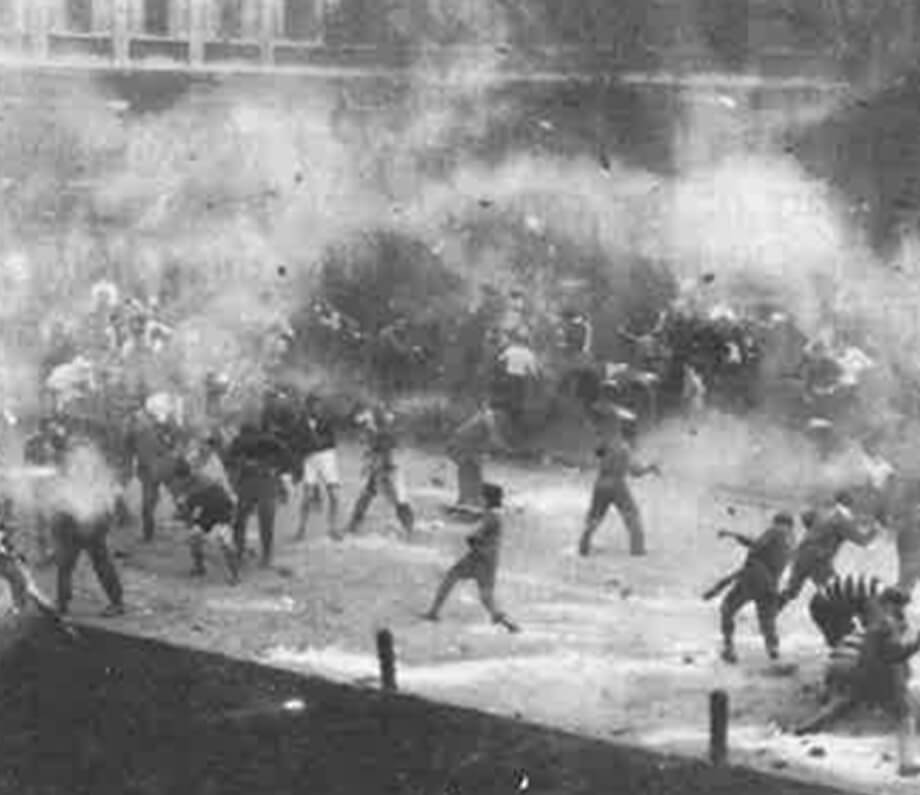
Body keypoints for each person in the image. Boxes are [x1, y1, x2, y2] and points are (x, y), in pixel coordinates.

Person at [422, 483, 518, 632]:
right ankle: (507, 622)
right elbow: (475, 513)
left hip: (478, 558)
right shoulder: (496, 512)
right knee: (487, 599)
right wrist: (455, 510)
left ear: (487, 499)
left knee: (451, 577)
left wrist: (452, 528)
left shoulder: (491, 516)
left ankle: (433, 612)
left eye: (482, 496)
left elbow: (475, 530)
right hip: (489, 562)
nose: (479, 499)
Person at [704, 512, 796, 663]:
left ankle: (729, 648)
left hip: (753, 579)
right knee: (767, 621)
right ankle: (774, 653)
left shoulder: (776, 530)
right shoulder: (792, 540)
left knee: (727, 609)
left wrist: (733, 535)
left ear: (777, 522)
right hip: (771, 584)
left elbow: (757, 544)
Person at [778, 490, 881, 611]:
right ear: (850, 506)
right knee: (836, 592)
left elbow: (808, 523)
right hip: (818, 560)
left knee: (791, 592)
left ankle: (768, 612)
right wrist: (876, 529)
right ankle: (848, 622)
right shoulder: (841, 520)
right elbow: (863, 541)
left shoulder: (824, 513)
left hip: (801, 556)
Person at [578, 409, 660, 557]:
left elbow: (597, 454)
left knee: (594, 520)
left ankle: (583, 549)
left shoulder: (606, 442)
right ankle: (637, 551)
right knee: (633, 519)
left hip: (601, 483)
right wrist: (650, 467)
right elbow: (636, 472)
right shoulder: (624, 447)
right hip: (617, 485)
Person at [225, 422, 297, 569]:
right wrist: (277, 469)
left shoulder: (249, 441)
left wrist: (274, 469)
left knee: (247, 517)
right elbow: (288, 457)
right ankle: (261, 554)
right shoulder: (267, 440)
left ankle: (247, 553)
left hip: (257, 481)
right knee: (260, 519)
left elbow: (229, 460)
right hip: (259, 480)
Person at [344, 405, 414, 537]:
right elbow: (376, 451)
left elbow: (385, 454)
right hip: (383, 469)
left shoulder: (382, 434)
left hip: (389, 470)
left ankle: (409, 529)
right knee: (367, 496)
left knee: (399, 501)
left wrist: (371, 463)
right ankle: (353, 524)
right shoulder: (377, 432)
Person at [168, 458, 238, 584]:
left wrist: (186, 517)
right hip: (211, 512)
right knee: (197, 538)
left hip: (219, 512)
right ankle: (200, 567)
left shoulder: (197, 485)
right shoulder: (194, 481)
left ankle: (232, 575)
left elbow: (187, 509)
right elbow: (187, 509)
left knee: (222, 543)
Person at [446, 403, 509, 512]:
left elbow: (489, 439)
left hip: (463, 446)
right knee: (470, 471)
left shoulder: (485, 416)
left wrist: (501, 448)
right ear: (499, 414)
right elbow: (494, 438)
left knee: (472, 471)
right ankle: (467, 500)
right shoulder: (488, 419)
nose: (503, 421)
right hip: (461, 445)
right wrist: (506, 449)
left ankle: (469, 499)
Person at [295, 394, 341, 541]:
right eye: (313, 406)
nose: (316, 408)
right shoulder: (301, 422)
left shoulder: (326, 420)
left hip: (327, 457)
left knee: (334, 495)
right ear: (307, 407)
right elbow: (298, 444)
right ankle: (301, 528)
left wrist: (318, 442)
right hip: (310, 459)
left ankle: (333, 527)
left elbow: (333, 441)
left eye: (318, 405)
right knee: (306, 497)